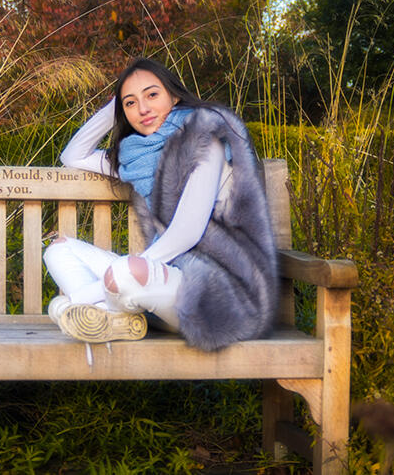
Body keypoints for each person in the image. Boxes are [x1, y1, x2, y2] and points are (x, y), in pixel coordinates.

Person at [43, 57, 278, 351]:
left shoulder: (205, 141)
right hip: (167, 282)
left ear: (174, 95)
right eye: (130, 103)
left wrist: (79, 298)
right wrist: (113, 106)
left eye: (152, 95)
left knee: (126, 272)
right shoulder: (134, 157)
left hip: (220, 297)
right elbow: (73, 156)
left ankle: (104, 310)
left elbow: (186, 233)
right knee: (59, 251)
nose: (142, 109)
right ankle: (118, 319)